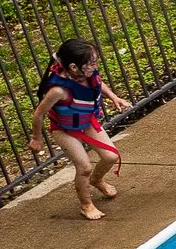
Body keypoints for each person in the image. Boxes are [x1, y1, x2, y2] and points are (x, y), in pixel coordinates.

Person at [31, 38, 130, 221]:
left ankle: (96, 180)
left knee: (111, 157)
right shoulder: (58, 90)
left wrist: (114, 97)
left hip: (85, 121)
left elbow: (98, 83)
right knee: (84, 167)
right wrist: (37, 138)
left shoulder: (86, 73)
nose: (95, 65)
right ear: (74, 67)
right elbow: (38, 114)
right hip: (63, 129)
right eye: (91, 63)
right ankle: (86, 205)